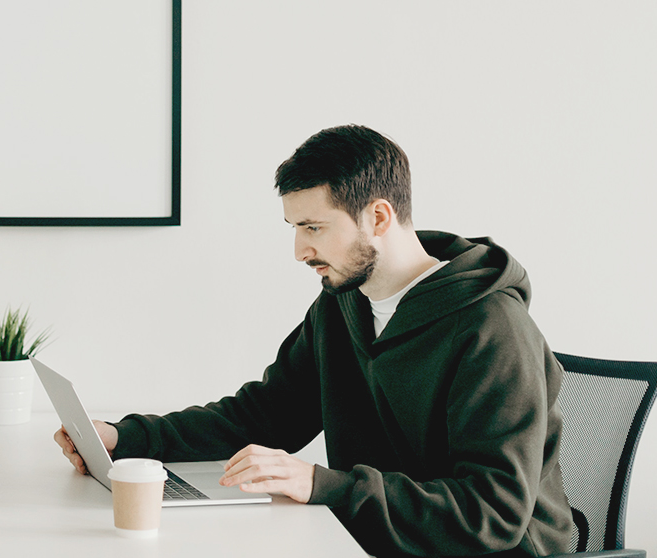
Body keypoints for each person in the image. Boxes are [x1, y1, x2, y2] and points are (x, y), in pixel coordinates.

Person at [54, 125, 572, 557]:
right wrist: (124, 438)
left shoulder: (492, 329)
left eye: (314, 227)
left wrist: (319, 484)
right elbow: (259, 417)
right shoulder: (343, 305)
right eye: (294, 227)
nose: (300, 250)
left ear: (378, 217)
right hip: (368, 542)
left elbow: (494, 513)